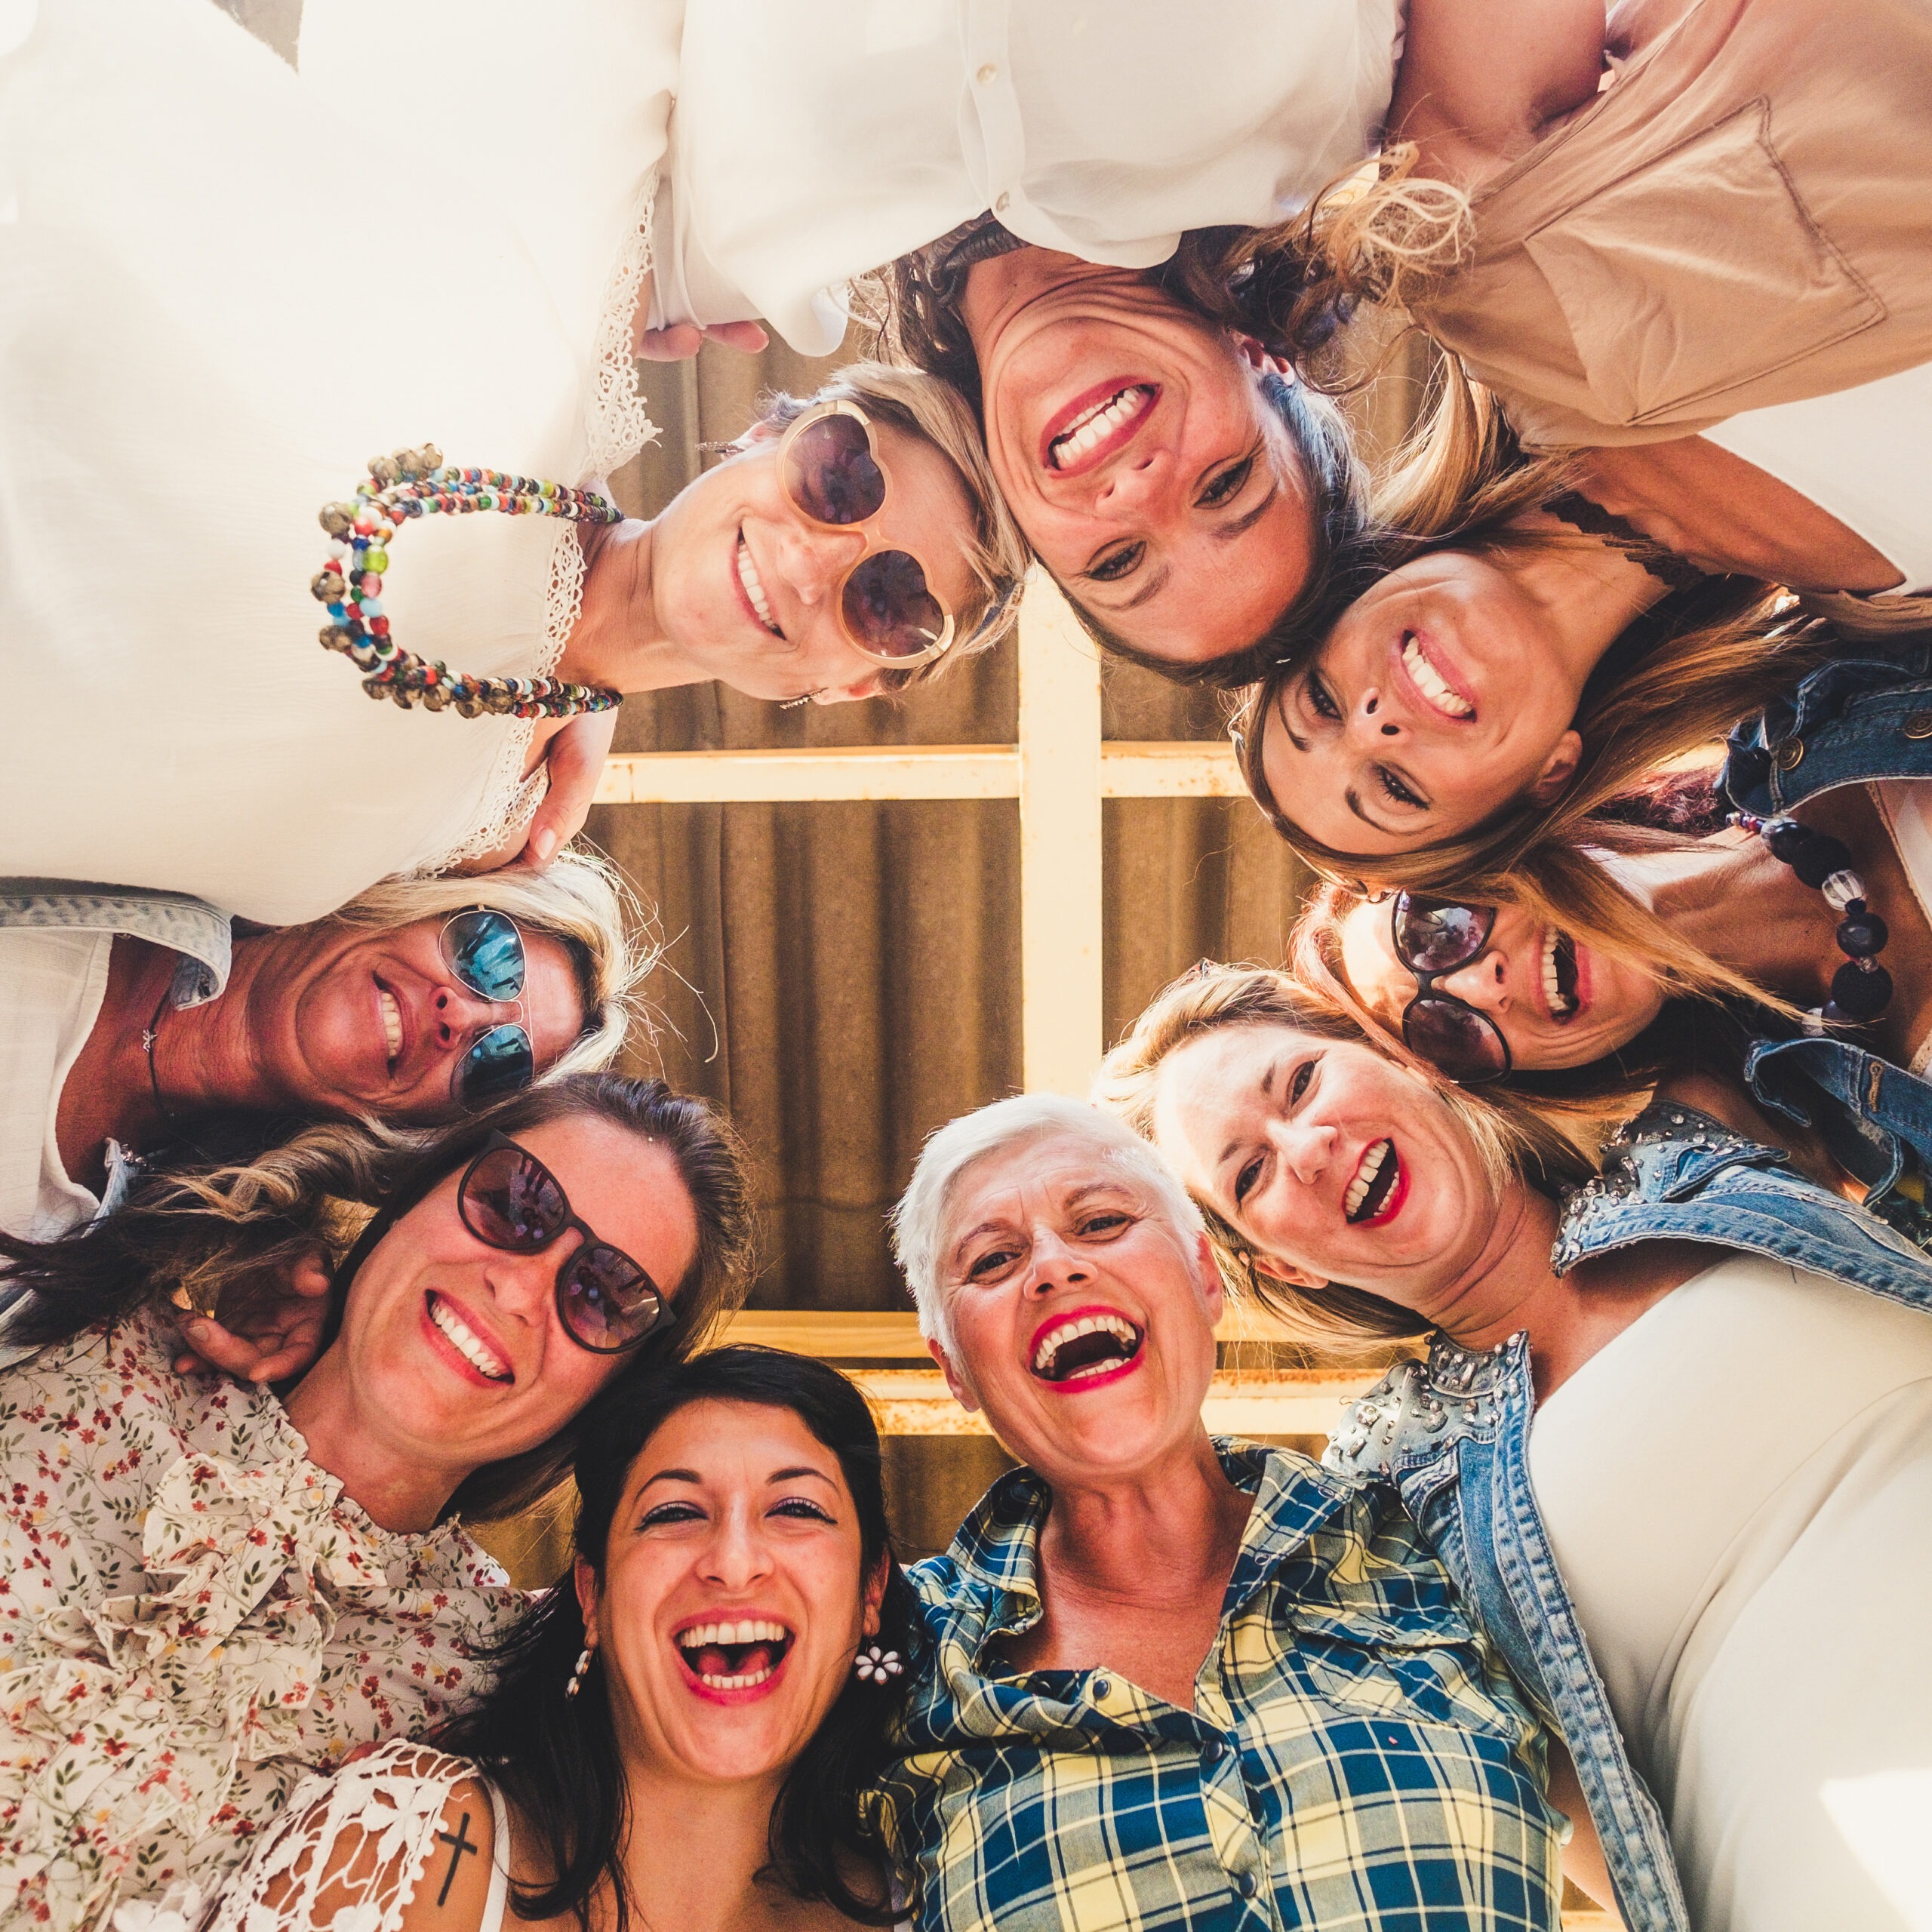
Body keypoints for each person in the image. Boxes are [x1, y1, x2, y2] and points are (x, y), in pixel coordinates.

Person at [0, 1, 1025, 925]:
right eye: (843, 477)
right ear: (768, 433)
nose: (815, 560)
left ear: (853, 685)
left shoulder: (483, 846)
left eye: (887, 603)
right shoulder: (542, 324)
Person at [1099, 961, 1932, 1932]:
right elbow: (1559, 1823)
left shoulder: (1694, 1141)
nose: (1308, 1148)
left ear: (1402, 1056)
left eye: (1300, 1083)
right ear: (1276, 1258)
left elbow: (1808, 919)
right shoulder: (1381, 1499)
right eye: (1249, 1173)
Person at [0, 1072, 754, 1932]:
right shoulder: (118, 1283)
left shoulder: (485, 1691)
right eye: (515, 1203)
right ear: (415, 1191)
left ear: (612, 1390)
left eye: (604, 1293)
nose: (518, 1287)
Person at [877, 1093, 1577, 1930]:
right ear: (952, 1367)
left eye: (1100, 1221)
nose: (1055, 1268)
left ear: (1205, 1276)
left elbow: (1660, 1861)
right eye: (992, 1261)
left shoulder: (1435, 1536)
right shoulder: (894, 1656)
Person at [206, 1346, 915, 1932]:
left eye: (795, 1508)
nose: (732, 1563)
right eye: (672, 1512)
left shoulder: (936, 1890)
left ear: (871, 1592)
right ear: (592, 1594)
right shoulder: (393, 1844)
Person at [0, 856, 639, 1251]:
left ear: (430, 1127)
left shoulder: (97, 1251)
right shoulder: (110, 857)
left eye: (497, 1061)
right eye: (488, 953)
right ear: (420, 901)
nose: (460, 1015)